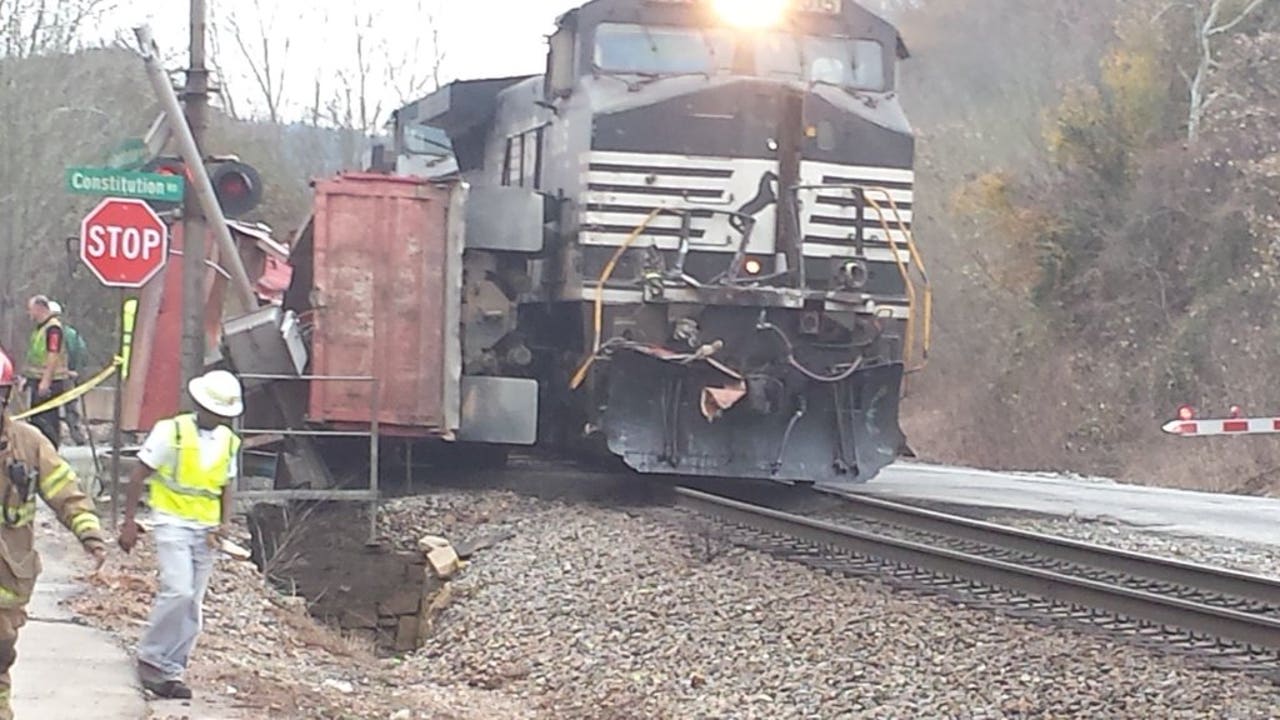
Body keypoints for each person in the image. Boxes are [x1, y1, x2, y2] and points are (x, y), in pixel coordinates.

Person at [118, 370, 243, 700]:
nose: (219, 418)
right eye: (216, 411)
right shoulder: (171, 432)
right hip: (171, 521)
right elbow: (138, 475)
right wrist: (128, 522)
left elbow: (226, 486)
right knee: (177, 590)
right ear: (200, 405)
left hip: (207, 531)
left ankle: (172, 669)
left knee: (192, 603)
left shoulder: (228, 441)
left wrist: (224, 523)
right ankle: (151, 657)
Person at [0, 347, 107, 719]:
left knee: (0, 654)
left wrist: (89, 533)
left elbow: (64, 489)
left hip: (9, 575)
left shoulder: (28, 444)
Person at [21, 296, 71, 448]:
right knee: (37, 420)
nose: (29, 313)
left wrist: (46, 381)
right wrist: (26, 378)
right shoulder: (40, 328)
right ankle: (39, 452)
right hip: (37, 380)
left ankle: (50, 450)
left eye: (31, 309)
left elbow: (52, 355)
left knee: (47, 421)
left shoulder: (53, 329)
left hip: (49, 383)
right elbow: (35, 356)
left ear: (39, 308)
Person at [47, 302, 89, 446]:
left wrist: (73, 370)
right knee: (68, 408)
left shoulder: (65, 334)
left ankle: (71, 436)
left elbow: (79, 352)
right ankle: (75, 436)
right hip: (57, 376)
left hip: (61, 377)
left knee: (66, 408)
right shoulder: (68, 333)